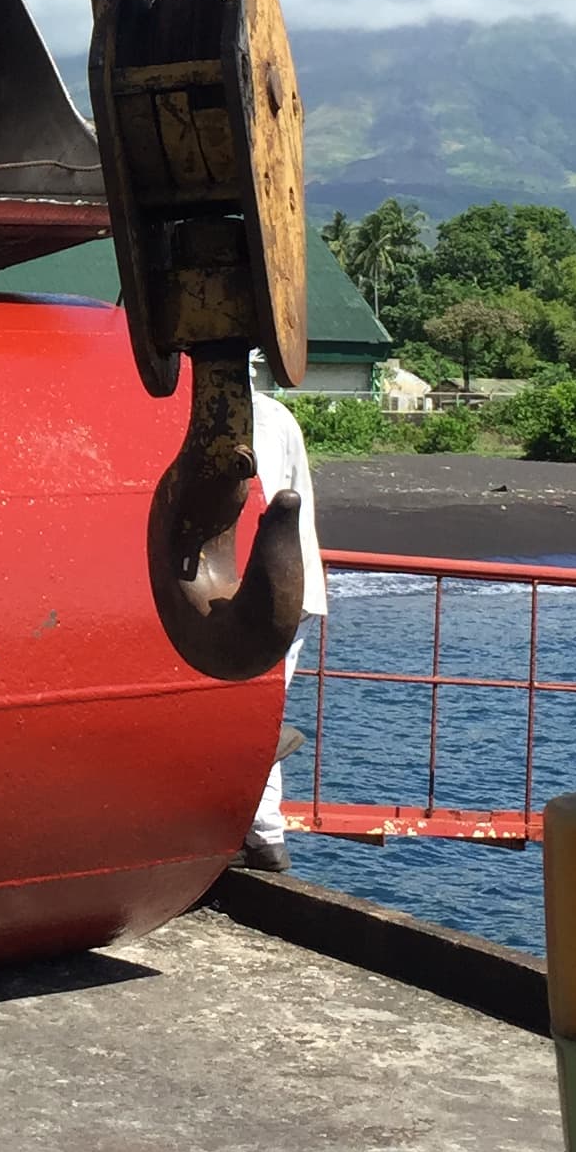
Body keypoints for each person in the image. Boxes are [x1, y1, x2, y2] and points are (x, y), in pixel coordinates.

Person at [238, 370, 325, 874]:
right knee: (262, 710)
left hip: (261, 591)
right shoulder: (276, 415)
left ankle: (261, 835)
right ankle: (265, 837)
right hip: (299, 585)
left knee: (248, 717)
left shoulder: (249, 424)